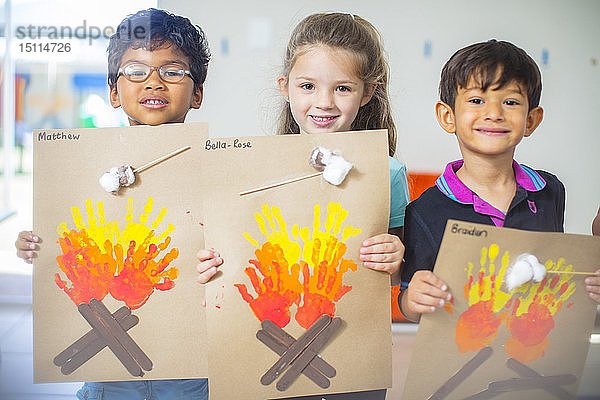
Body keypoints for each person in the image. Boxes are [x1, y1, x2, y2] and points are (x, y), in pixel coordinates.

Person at [196, 12, 408, 400]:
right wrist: (212, 262)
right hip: (265, 346)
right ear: (285, 86)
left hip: (354, 357)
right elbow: (231, 252)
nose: (323, 102)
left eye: (343, 88)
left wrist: (395, 261)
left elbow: (394, 278)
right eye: (307, 85)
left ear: (368, 91)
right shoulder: (251, 168)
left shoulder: (388, 171)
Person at [15, 8, 209, 400]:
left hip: (193, 366)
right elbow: (64, 242)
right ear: (114, 92)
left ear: (198, 93)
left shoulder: (216, 169)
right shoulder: (81, 171)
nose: (154, 81)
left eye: (173, 71)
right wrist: (36, 245)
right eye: (137, 71)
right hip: (108, 369)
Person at [398, 39, 600, 323]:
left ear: (531, 120)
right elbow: (408, 303)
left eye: (510, 102)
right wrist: (415, 298)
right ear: (448, 116)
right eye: (477, 100)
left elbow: (552, 276)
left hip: (535, 350)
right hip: (462, 357)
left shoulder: (550, 192)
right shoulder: (423, 211)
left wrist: (587, 284)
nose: (494, 114)